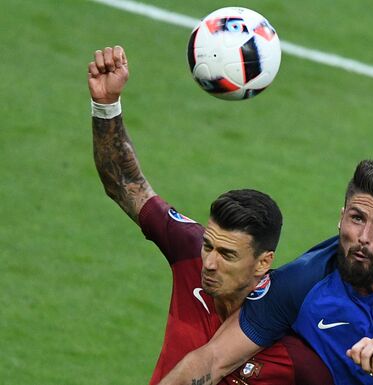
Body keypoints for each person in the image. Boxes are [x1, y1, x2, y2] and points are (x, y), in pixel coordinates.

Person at [88, 45, 333, 385]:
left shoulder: (295, 352)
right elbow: (126, 184)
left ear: (264, 263)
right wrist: (105, 105)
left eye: (228, 254)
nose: (210, 263)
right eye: (209, 247)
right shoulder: (190, 252)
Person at [158, 160, 373, 385]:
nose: (364, 236)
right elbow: (210, 361)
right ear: (341, 218)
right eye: (357, 218)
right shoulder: (301, 282)